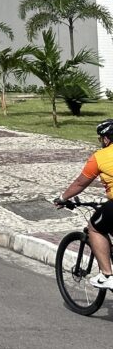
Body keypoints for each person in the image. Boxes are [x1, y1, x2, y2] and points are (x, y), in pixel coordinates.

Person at [56, 119, 113, 288]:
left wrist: (62, 198)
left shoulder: (100, 157)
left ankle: (107, 276)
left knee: (94, 227)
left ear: (106, 139)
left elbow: (80, 184)